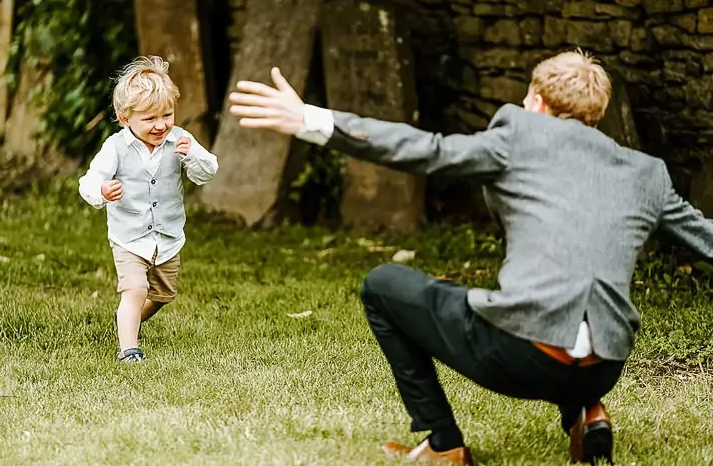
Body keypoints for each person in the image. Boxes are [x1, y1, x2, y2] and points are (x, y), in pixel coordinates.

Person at [227, 50, 713, 464]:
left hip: (522, 358)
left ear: (538, 103)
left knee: (384, 285)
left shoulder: (519, 136)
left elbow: (426, 150)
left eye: (526, 99)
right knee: (570, 293)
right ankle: (588, 411)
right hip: (604, 364)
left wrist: (313, 119)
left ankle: (444, 445)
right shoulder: (645, 172)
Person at [77, 56, 220, 363]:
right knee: (135, 290)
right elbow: (88, 181)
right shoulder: (115, 147)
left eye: (167, 115)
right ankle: (129, 349)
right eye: (150, 119)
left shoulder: (179, 139)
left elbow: (207, 171)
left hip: (168, 237)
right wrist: (102, 190)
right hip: (129, 237)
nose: (160, 125)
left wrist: (193, 153)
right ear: (125, 117)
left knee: (162, 296)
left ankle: (126, 319)